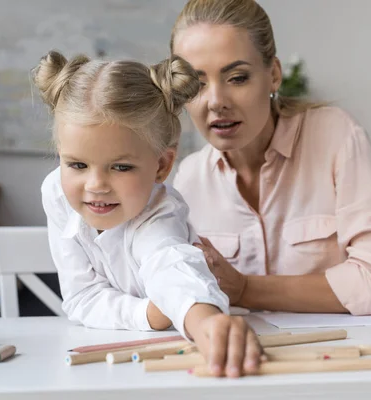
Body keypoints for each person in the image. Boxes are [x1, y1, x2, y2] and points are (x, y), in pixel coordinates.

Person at [171, 0, 371, 316]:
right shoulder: (189, 179)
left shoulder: (335, 136)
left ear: (273, 75)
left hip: (341, 354)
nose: (216, 102)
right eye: (197, 85)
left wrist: (245, 288)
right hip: (241, 357)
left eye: (238, 77)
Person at [34, 50, 262, 377]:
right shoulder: (56, 192)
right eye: (77, 165)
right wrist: (150, 314)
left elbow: (169, 263)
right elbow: (81, 297)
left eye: (121, 167)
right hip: (108, 368)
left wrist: (206, 321)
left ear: (162, 166)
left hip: (173, 363)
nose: (96, 185)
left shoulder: (159, 212)